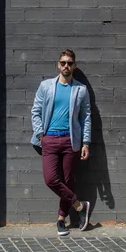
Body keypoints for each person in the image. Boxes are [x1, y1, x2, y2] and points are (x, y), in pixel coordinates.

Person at [31, 49, 91, 236]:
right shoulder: (46, 86)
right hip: (49, 139)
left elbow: (86, 116)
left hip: (69, 140)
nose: (66, 66)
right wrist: (41, 135)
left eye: (70, 63)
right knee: (51, 179)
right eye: (63, 62)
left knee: (68, 181)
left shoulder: (80, 89)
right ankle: (80, 206)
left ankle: (60, 219)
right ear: (58, 65)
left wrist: (86, 142)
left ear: (75, 65)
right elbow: (36, 111)